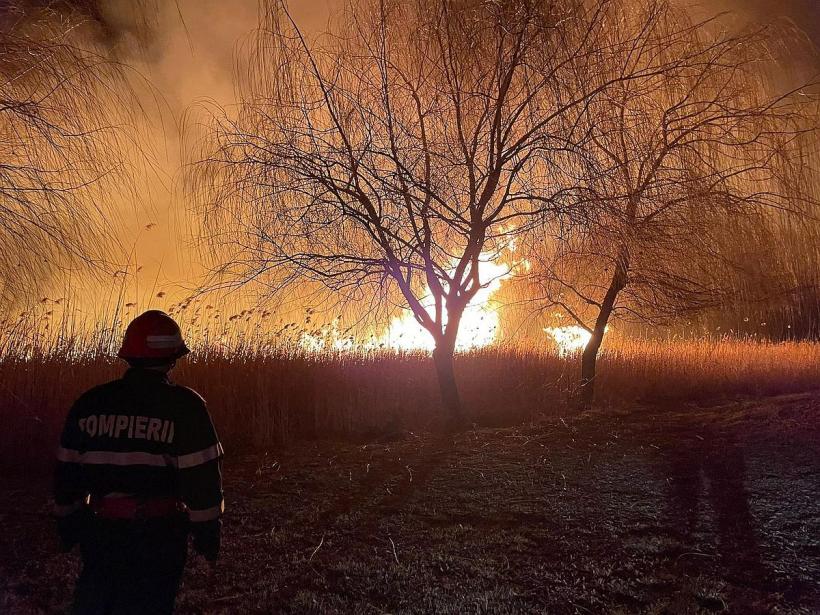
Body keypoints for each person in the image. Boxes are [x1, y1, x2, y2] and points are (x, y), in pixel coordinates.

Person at [52, 310, 224, 615]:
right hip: (159, 537)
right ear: (173, 357)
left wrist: (67, 522)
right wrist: (207, 533)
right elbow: (203, 480)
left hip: (102, 534)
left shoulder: (90, 402)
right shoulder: (186, 406)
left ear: (128, 353)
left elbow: (66, 474)